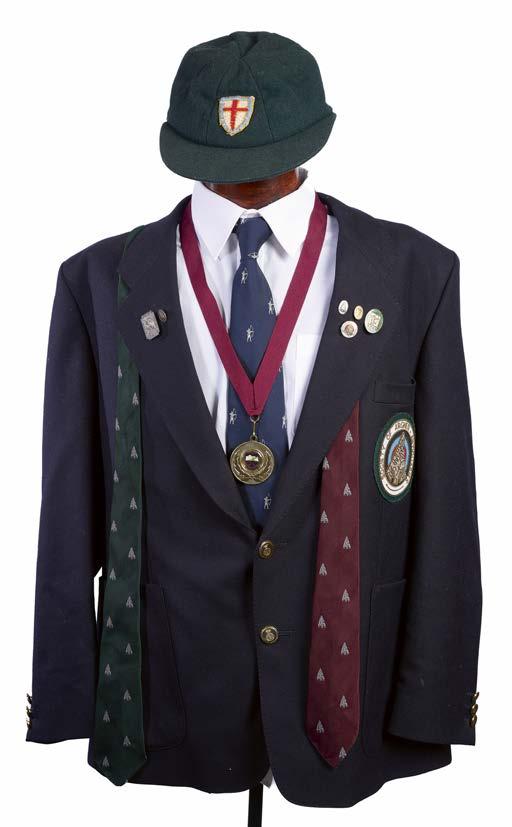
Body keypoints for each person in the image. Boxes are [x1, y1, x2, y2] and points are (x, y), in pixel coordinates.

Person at [27, 30, 482, 827]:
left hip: (352, 693)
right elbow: (67, 512)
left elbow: (445, 515)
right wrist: (66, 691)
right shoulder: (101, 281)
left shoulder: (413, 274)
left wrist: (434, 697)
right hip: (166, 703)